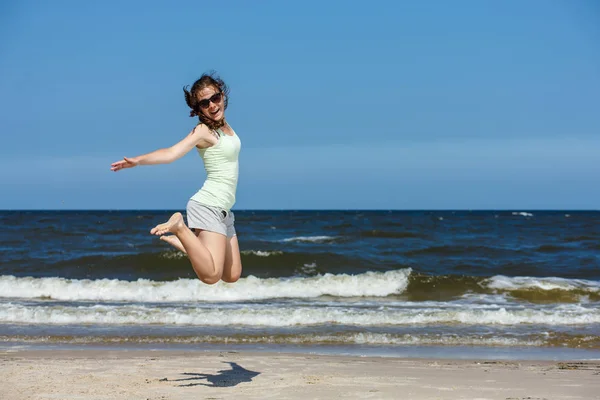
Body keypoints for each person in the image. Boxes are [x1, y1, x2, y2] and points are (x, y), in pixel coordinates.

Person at [110, 72, 242, 285]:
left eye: (215, 98)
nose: (212, 106)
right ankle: (180, 227)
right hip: (208, 205)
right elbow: (171, 153)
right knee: (211, 276)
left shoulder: (226, 128)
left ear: (222, 94)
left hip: (225, 210)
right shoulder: (203, 131)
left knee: (232, 275)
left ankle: (188, 242)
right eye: (204, 103)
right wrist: (138, 160)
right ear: (198, 109)